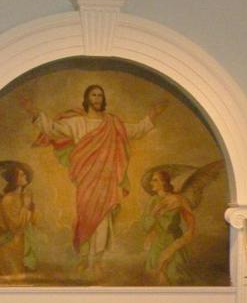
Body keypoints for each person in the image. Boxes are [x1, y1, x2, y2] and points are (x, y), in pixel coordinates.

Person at [23, 84, 166, 278]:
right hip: (86, 180)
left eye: (100, 95)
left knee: (103, 219)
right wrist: (33, 112)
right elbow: (53, 130)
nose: (97, 98)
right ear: (87, 99)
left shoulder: (113, 123)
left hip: (107, 181)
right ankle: (83, 259)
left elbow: (135, 131)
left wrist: (153, 115)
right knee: (85, 218)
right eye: (93, 95)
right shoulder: (77, 123)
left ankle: (97, 261)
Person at [142, 168, 195, 284]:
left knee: (174, 276)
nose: (151, 183)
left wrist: (173, 247)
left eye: (155, 180)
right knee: (154, 278)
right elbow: (146, 225)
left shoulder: (179, 199)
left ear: (164, 182)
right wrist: (156, 210)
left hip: (173, 241)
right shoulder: (153, 201)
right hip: (156, 245)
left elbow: (191, 229)